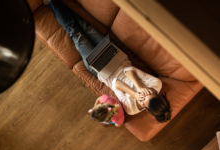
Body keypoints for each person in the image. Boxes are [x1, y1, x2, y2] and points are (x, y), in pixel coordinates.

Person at [44, 0, 172, 123]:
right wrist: (140, 87)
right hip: (116, 56)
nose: (144, 95)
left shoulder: (132, 109)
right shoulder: (156, 85)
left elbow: (116, 83)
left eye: (144, 100)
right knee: (85, 26)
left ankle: (51, 2)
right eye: (149, 94)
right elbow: (128, 70)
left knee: (75, 33)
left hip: (102, 70)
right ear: (157, 94)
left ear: (146, 109)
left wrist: (134, 93)